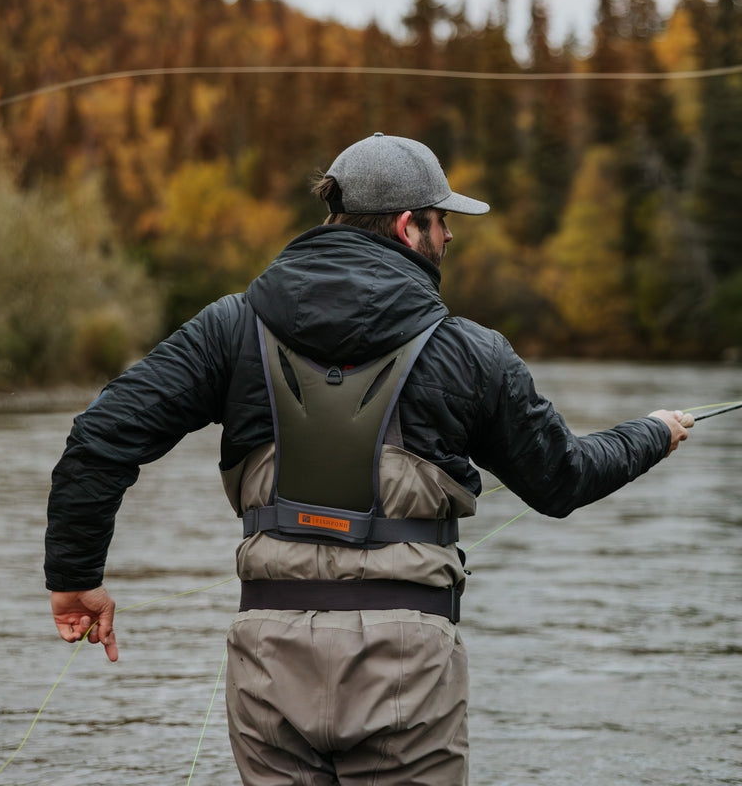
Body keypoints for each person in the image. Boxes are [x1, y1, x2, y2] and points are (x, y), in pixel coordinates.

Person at [45, 132, 691, 785]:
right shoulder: (471, 352)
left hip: (269, 658)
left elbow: (100, 436)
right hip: (407, 662)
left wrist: (74, 577)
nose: (450, 238)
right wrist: (653, 432)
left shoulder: (230, 327)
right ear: (410, 226)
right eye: (443, 222)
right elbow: (563, 480)